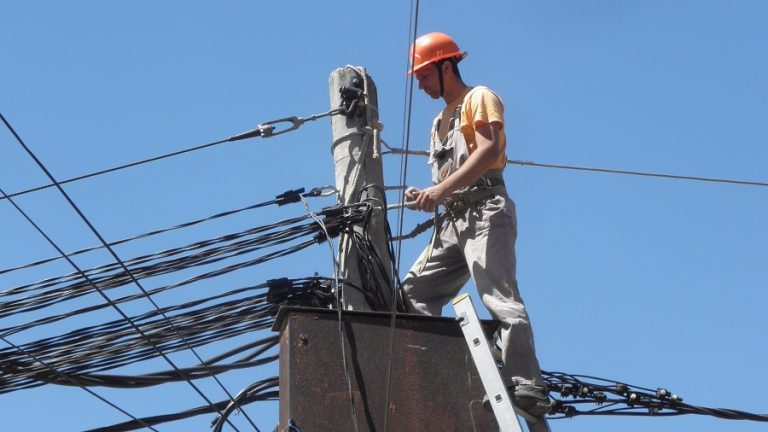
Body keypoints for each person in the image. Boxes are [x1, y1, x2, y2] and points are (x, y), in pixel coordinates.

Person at [401, 32, 550, 417]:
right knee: (412, 294)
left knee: (497, 296)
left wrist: (439, 191)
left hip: (485, 210)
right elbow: (450, 177)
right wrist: (429, 193)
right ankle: (452, 366)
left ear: (445, 66)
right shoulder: (438, 121)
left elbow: (487, 153)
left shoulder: (478, 98)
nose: (420, 84)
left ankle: (526, 383)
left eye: (423, 75)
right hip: (454, 220)